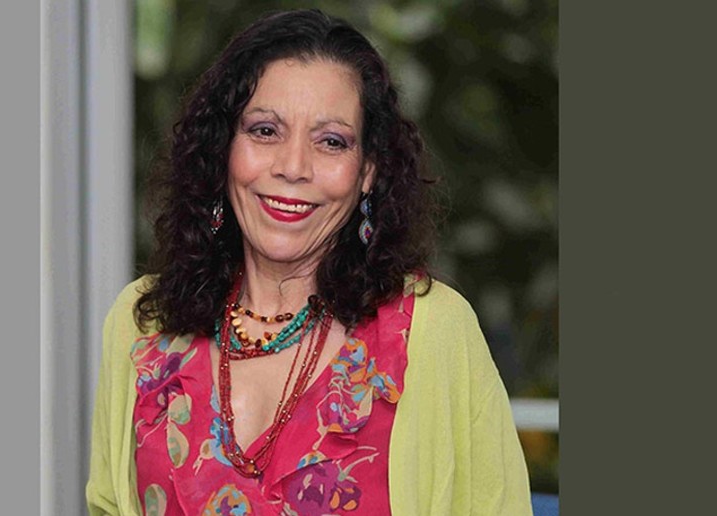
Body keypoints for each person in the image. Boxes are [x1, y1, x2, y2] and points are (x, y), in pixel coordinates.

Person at [87, 9, 532, 516]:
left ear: (367, 171)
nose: (293, 167)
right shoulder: (144, 322)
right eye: (265, 131)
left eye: (331, 142)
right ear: (223, 149)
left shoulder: (430, 330)